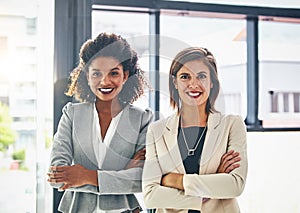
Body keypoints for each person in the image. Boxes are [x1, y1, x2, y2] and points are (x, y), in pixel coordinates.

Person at [47, 32, 153, 213]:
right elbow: (59, 177)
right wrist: (120, 176)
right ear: (87, 76)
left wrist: (86, 176)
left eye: (114, 73)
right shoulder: (72, 114)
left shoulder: (142, 119)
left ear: (125, 76)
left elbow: (143, 179)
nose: (105, 81)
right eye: (96, 73)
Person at [142, 47, 247, 212]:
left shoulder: (232, 125)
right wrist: (209, 189)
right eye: (185, 77)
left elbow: (235, 185)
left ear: (212, 82)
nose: (193, 84)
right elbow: (150, 195)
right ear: (175, 82)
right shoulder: (157, 131)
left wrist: (175, 180)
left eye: (202, 76)